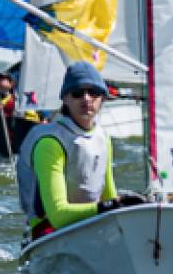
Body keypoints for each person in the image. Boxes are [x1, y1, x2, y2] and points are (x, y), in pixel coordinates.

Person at [13, 61, 141, 239]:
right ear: (65, 99)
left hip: (90, 224)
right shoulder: (50, 143)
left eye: (93, 92)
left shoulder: (103, 138)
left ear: (103, 98)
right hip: (49, 232)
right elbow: (58, 216)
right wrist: (110, 206)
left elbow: (109, 197)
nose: (86, 98)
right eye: (77, 93)